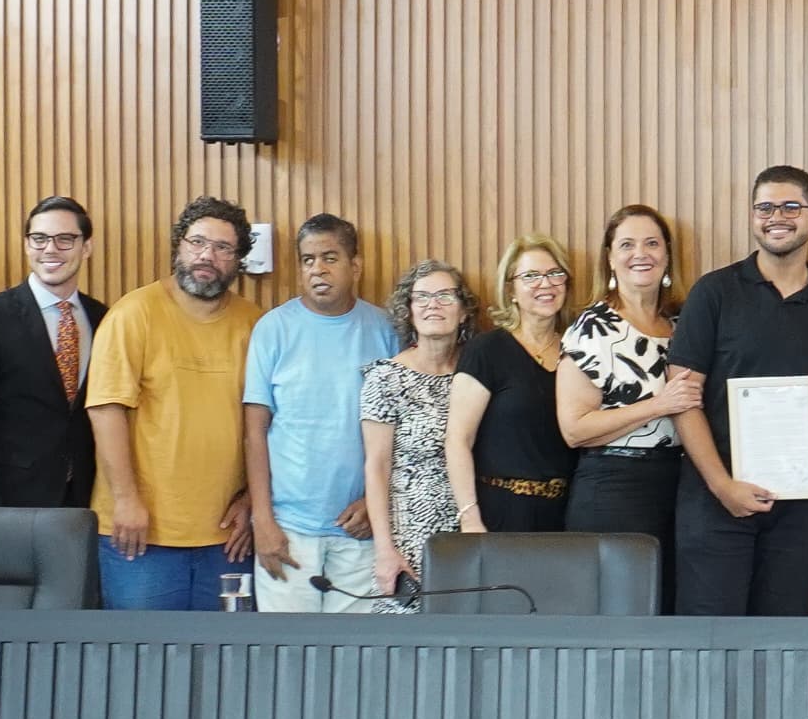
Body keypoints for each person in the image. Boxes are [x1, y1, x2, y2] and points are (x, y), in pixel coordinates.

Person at [669, 165, 808, 616]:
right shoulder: (713, 293)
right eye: (765, 207)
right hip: (716, 500)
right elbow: (683, 398)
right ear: (753, 217)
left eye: (791, 206)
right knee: (709, 640)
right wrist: (722, 486)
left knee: (782, 638)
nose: (777, 216)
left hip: (800, 509)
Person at [85, 195, 260, 611]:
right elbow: (106, 410)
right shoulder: (134, 314)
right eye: (197, 242)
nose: (207, 256)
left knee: (226, 662)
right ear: (178, 246)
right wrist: (126, 499)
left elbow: (271, 423)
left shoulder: (255, 323)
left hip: (227, 537)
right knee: (144, 662)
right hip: (140, 533)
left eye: (222, 248)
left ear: (238, 261)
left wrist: (253, 498)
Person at [244, 212, 398, 610]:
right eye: (308, 260)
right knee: (286, 660)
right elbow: (255, 432)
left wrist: (372, 502)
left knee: (357, 661)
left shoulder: (385, 330)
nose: (318, 270)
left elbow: (403, 429)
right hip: (288, 531)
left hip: (362, 531)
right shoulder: (272, 329)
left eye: (330, 257)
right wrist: (263, 520)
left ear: (355, 266)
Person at [559, 202, 704, 603]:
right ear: (609, 258)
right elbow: (574, 430)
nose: (641, 254)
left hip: (679, 488)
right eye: (627, 244)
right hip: (613, 490)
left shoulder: (682, 326)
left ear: (667, 255)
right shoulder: (590, 328)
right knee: (620, 621)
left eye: (652, 243)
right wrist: (658, 405)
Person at [0, 197, 105, 510]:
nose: (50, 249)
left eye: (65, 239)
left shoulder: (103, 317)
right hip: (11, 499)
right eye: (40, 239)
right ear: (26, 244)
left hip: (85, 498)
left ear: (86, 247)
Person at [449, 233, 579, 535]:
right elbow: (458, 439)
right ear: (511, 290)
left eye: (554, 274)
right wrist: (469, 517)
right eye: (531, 276)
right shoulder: (487, 350)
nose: (545, 284)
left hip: (567, 516)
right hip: (499, 513)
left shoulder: (579, 350)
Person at [362, 260, 476, 602]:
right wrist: (385, 549)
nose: (433, 305)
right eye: (422, 297)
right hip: (410, 539)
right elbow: (376, 466)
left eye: (445, 296)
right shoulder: (385, 378)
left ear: (464, 310)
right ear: (408, 311)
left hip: (471, 534)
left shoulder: (479, 372)